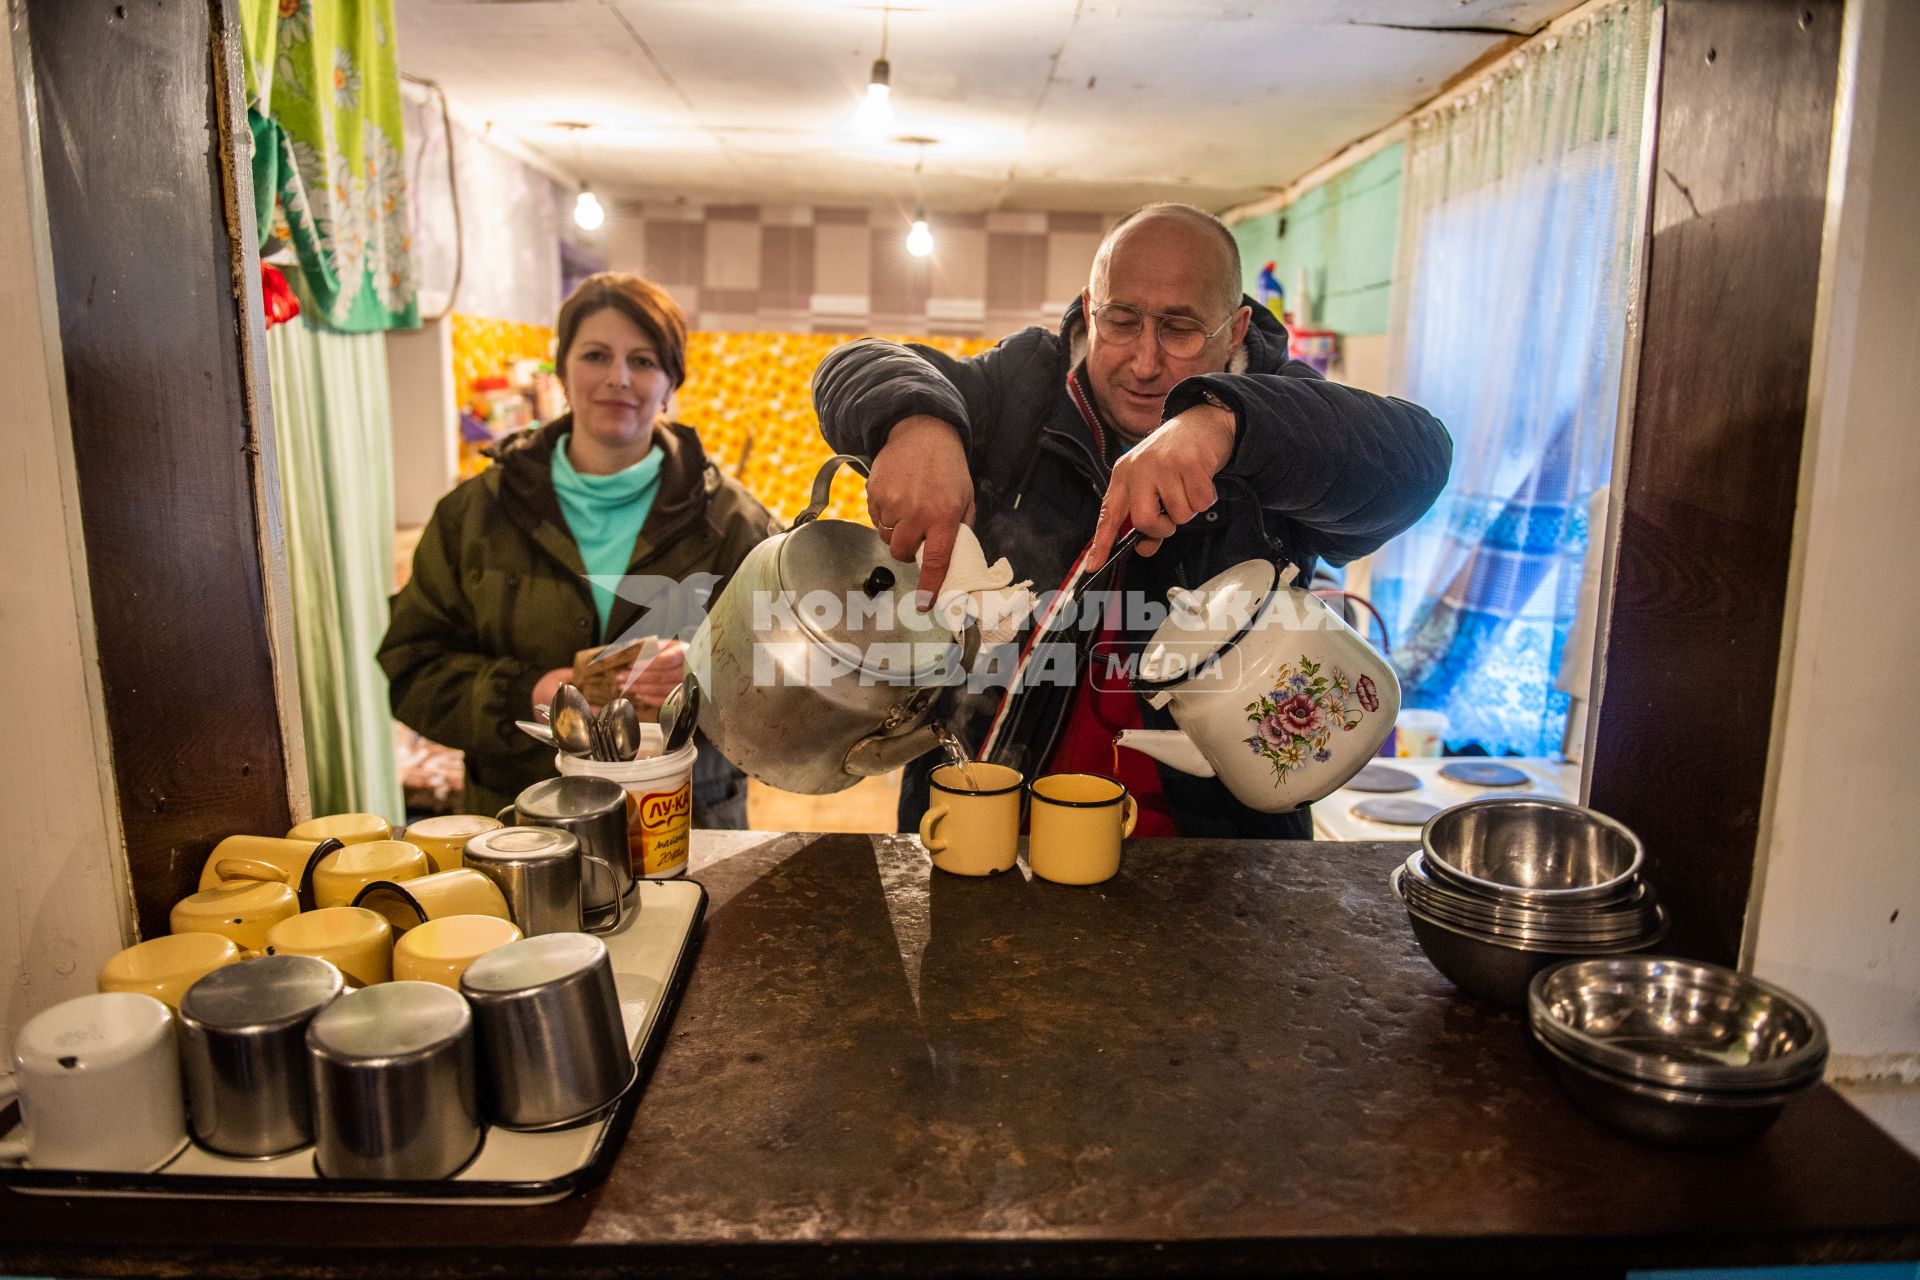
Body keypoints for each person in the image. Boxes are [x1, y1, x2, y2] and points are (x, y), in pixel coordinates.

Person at [812, 203, 1451, 839]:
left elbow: (1421, 455)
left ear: (1235, 330)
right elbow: (858, 362)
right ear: (1092, 308)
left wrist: (1223, 424)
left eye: (1180, 330)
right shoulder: (1024, 387)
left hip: (1212, 857)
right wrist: (916, 424)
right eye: (1122, 321)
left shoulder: (1286, 418)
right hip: (988, 817)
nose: (1145, 363)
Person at [381, 272, 777, 820]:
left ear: (669, 384)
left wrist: (709, 670)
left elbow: (789, 679)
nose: (618, 378)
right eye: (595, 355)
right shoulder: (474, 515)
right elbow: (413, 669)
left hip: (685, 822)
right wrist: (535, 692)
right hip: (522, 828)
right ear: (563, 372)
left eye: (643, 361)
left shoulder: (736, 523)